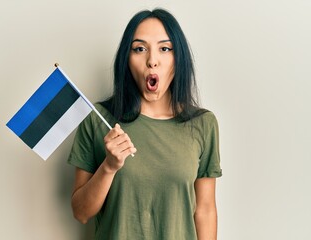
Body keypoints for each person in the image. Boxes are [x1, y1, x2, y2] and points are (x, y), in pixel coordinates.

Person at [68, 8, 222, 240]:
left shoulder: (203, 124)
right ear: (126, 60)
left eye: (164, 48)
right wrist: (108, 167)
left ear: (178, 58)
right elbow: (81, 212)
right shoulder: (98, 119)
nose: (152, 61)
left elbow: (205, 210)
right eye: (140, 49)